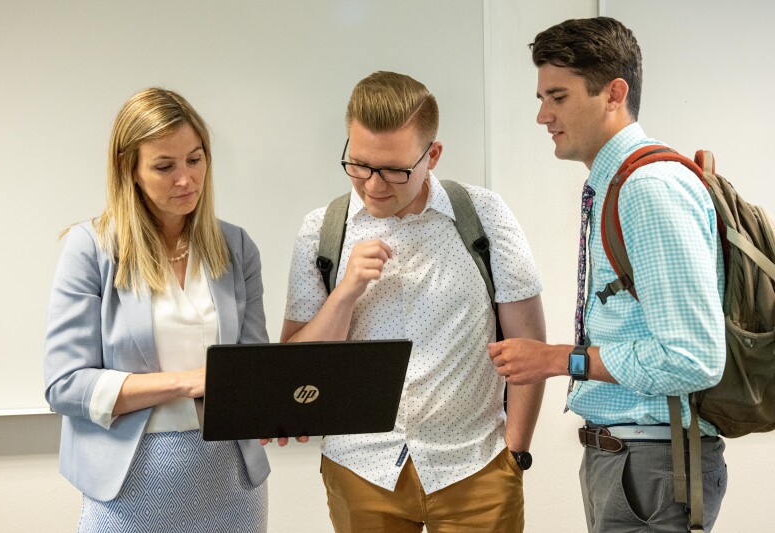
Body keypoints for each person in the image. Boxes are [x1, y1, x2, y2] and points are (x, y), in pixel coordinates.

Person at [488, 17, 728, 532]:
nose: (542, 116)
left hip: (652, 468)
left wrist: (557, 359)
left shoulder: (648, 189)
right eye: (541, 97)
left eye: (557, 96)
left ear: (613, 92)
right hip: (632, 463)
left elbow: (693, 357)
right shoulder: (618, 183)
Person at [279, 71, 546, 532]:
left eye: (394, 170)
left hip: (476, 466)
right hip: (360, 468)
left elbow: (529, 343)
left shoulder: (483, 215)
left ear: (433, 155)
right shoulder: (323, 230)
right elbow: (294, 365)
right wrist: (344, 294)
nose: (374, 185)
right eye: (359, 165)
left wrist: (515, 452)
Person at [44, 87, 270, 532]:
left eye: (195, 159)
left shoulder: (236, 247)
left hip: (230, 481)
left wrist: (278, 409)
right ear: (130, 170)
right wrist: (186, 382)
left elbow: (253, 368)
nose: (185, 179)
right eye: (164, 167)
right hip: (129, 486)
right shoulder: (90, 249)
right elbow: (65, 384)